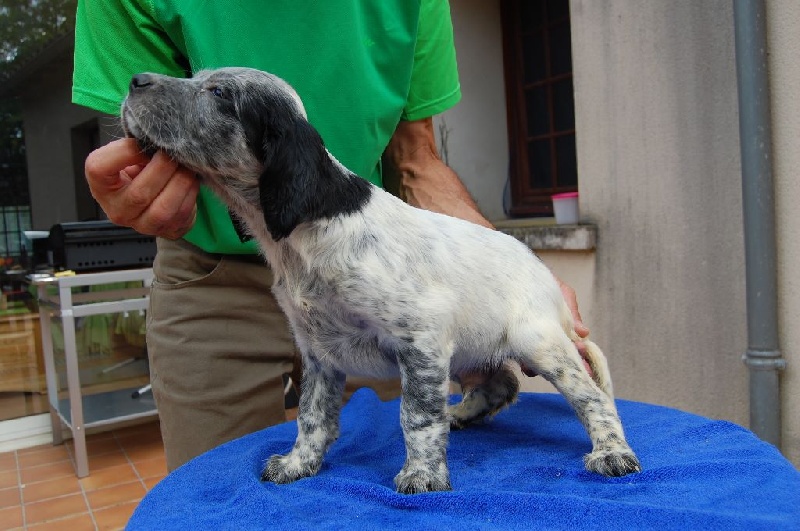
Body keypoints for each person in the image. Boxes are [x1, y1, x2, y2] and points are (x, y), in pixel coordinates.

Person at [73, 0, 590, 471]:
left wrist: (511, 279)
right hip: (212, 275)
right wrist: (136, 192)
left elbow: (416, 160)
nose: (149, 83)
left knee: (381, 499)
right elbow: (149, 135)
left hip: (371, 272)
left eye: (217, 92)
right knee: (217, 490)